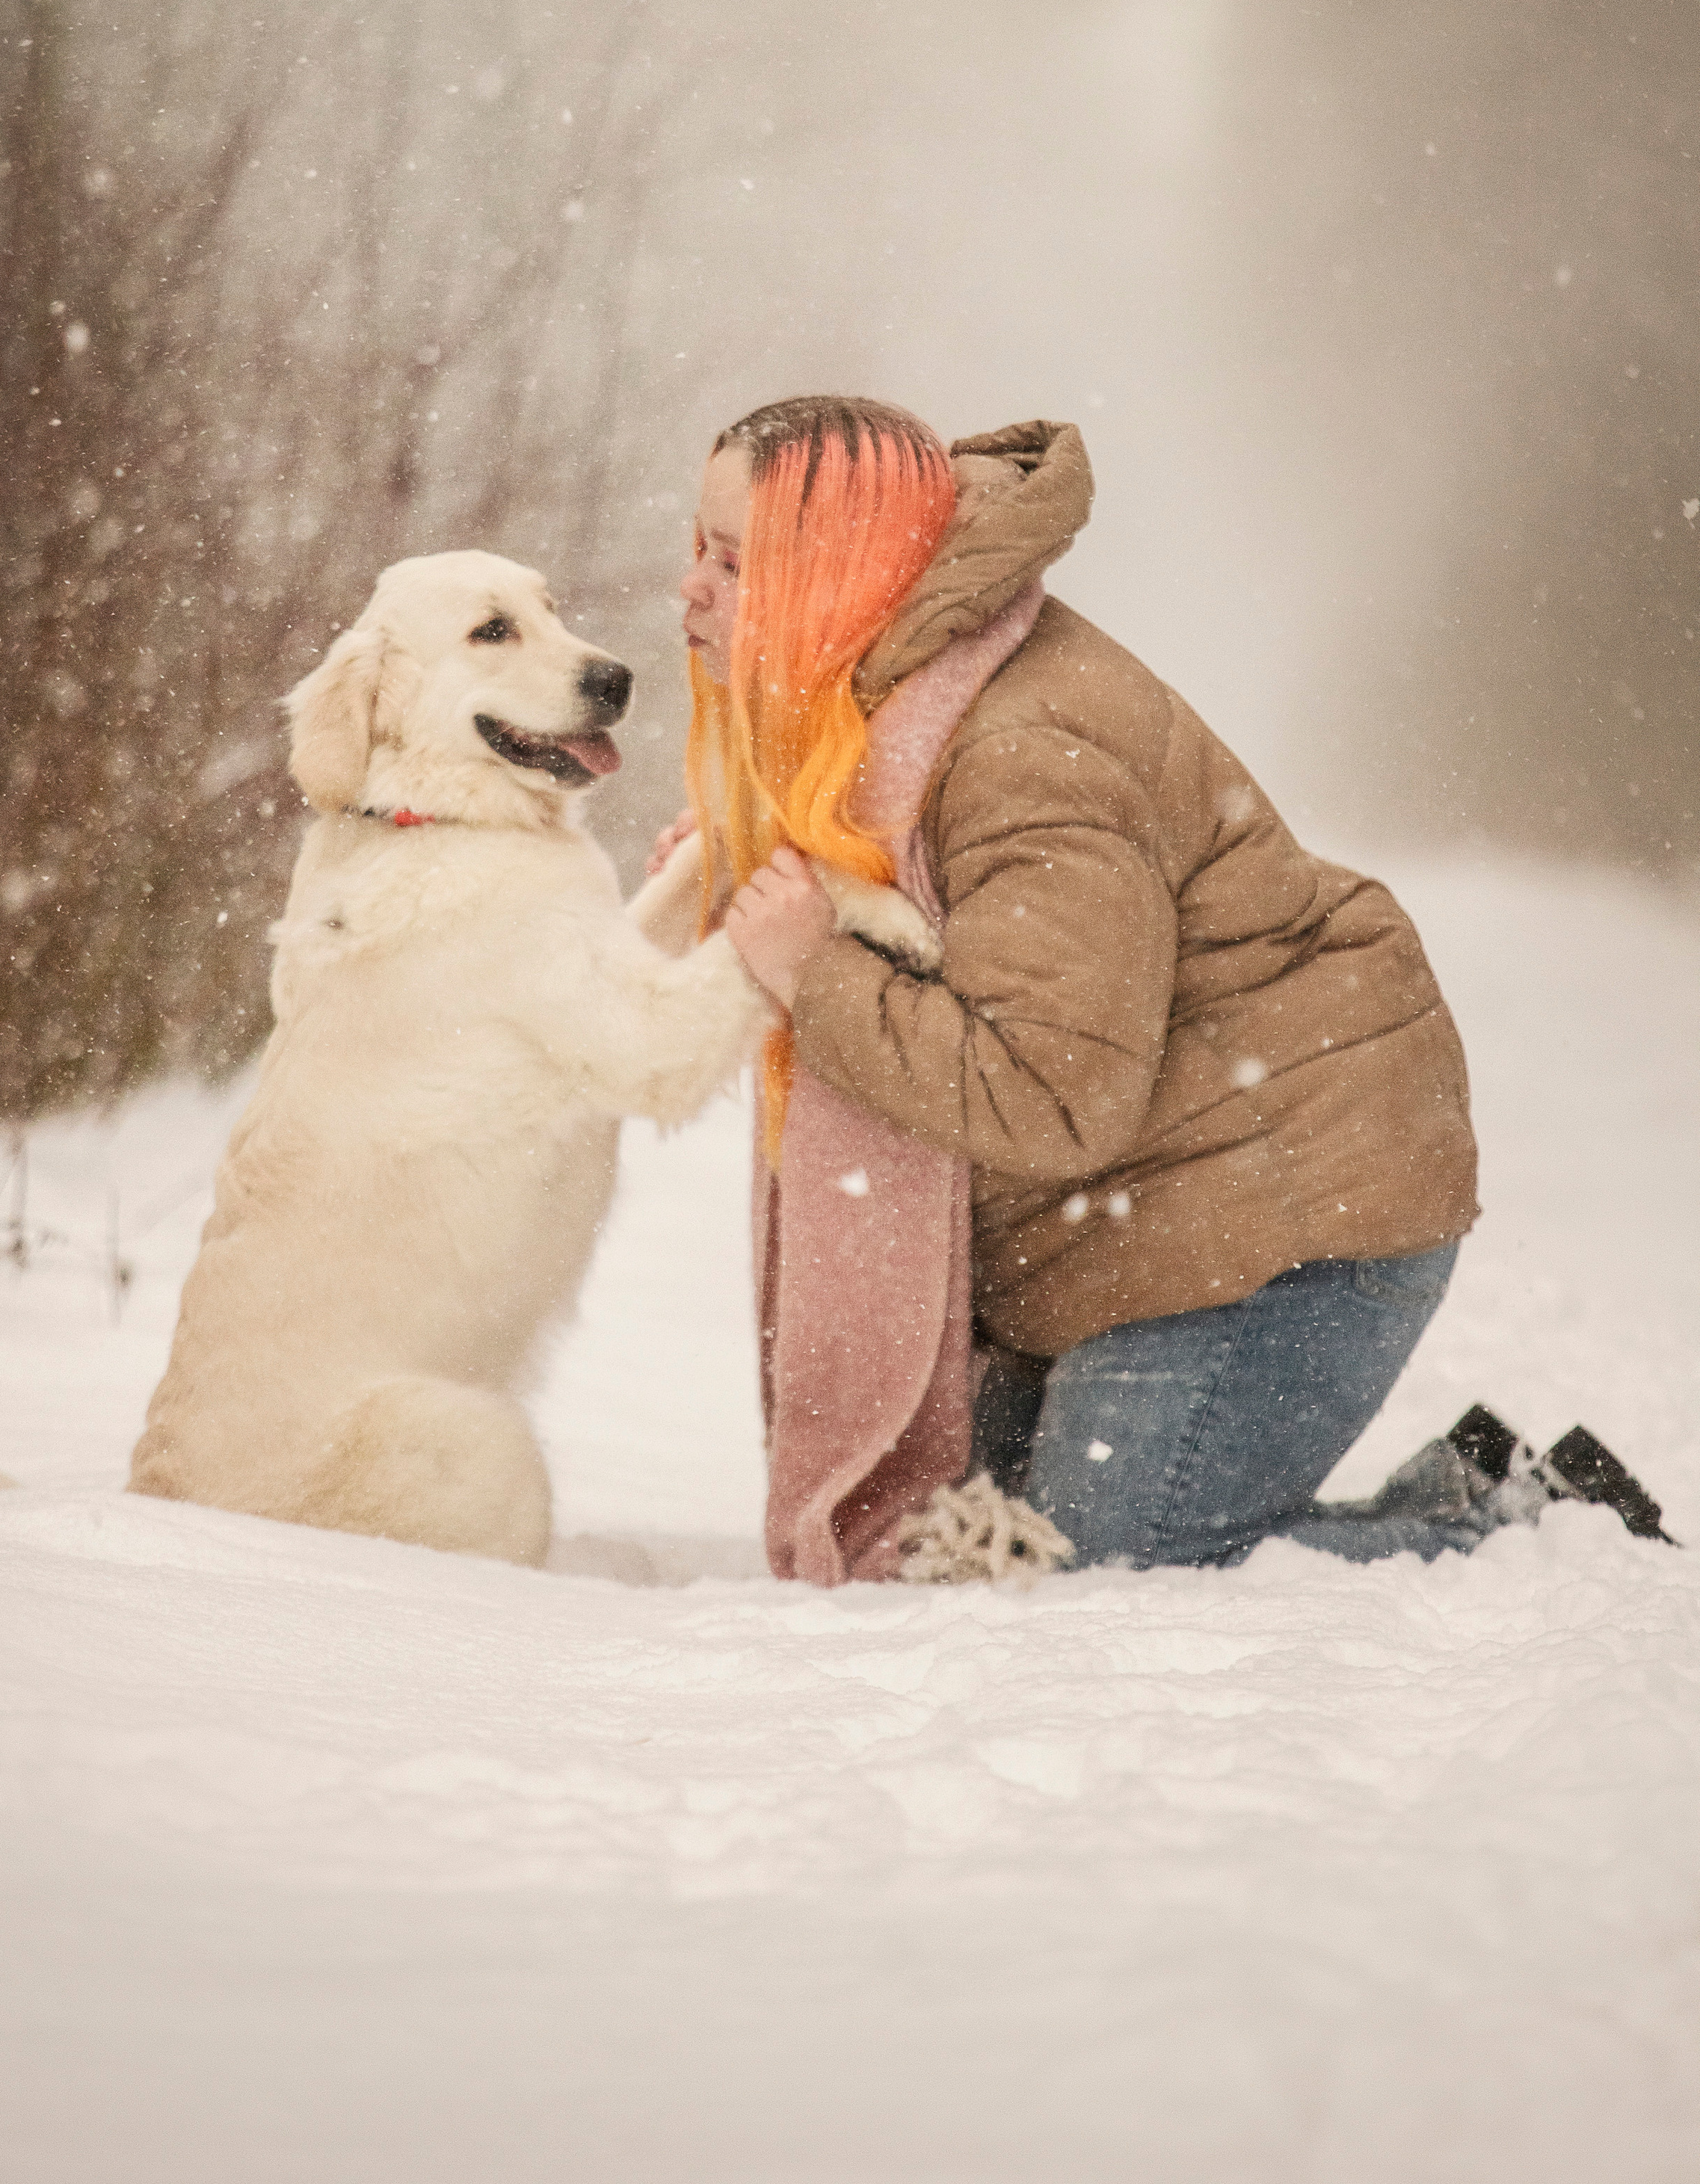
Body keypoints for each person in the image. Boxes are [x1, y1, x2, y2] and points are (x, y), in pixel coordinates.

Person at [650, 396, 1672, 1567]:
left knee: (1103, 1572)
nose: (692, 587)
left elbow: (1053, 1092)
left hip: (1283, 1214)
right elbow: (911, 941)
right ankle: (1468, 1489)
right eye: (699, 548)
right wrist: (747, 893)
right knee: (963, 1546)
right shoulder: (870, 715)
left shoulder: (1024, 750)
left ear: (834, 573)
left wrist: (814, 972)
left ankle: (1531, 1535)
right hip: (1123, 1217)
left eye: (736, 562)